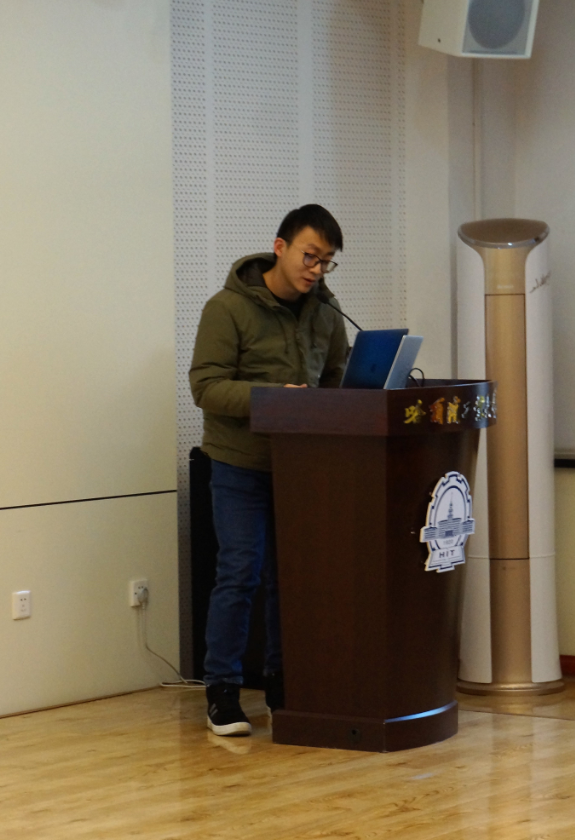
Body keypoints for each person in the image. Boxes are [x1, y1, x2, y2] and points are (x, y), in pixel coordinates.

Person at [189, 204, 348, 736]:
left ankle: (285, 684)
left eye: (326, 261)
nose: (316, 270)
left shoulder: (326, 312)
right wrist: (272, 398)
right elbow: (206, 386)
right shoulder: (227, 308)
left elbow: (337, 378)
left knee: (291, 578)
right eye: (310, 256)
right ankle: (222, 690)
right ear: (280, 248)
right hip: (240, 462)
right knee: (240, 573)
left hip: (302, 465)